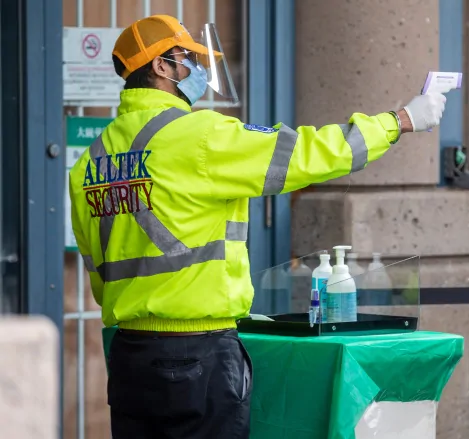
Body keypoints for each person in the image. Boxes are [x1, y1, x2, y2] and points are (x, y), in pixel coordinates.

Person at [68, 15, 447, 439]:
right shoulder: (198, 136)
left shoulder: (89, 161)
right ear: (161, 67)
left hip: (128, 356)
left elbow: (99, 272)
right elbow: (307, 154)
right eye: (188, 59)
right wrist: (398, 122)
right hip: (198, 354)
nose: (198, 70)